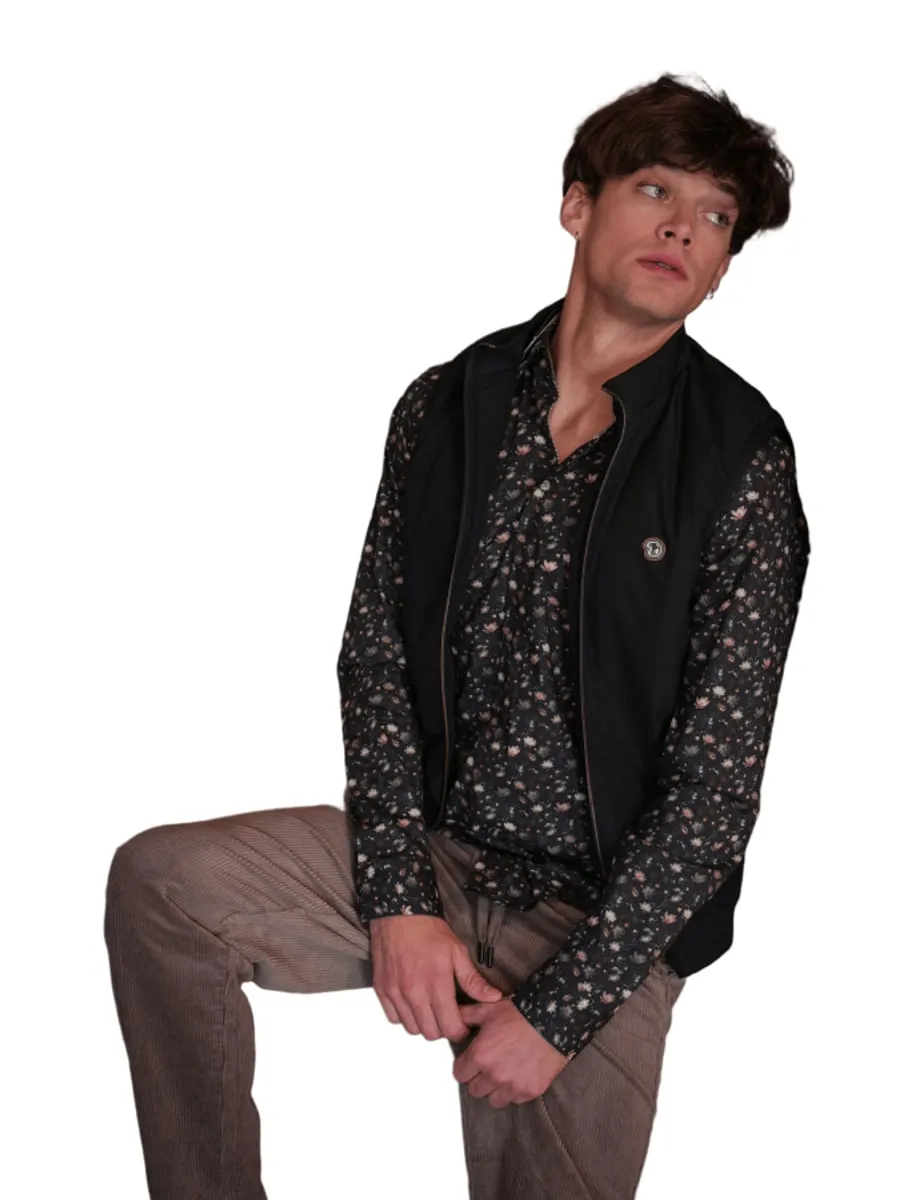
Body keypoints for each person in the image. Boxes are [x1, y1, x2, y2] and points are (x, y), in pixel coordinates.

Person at [104, 72, 810, 1200]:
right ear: (577, 204)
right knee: (162, 886)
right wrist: (398, 897)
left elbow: (713, 790)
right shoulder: (447, 404)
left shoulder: (741, 460)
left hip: (602, 914)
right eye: (654, 190)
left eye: (716, 215)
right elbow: (376, 658)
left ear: (726, 262)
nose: (683, 228)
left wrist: (560, 1013)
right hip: (436, 850)